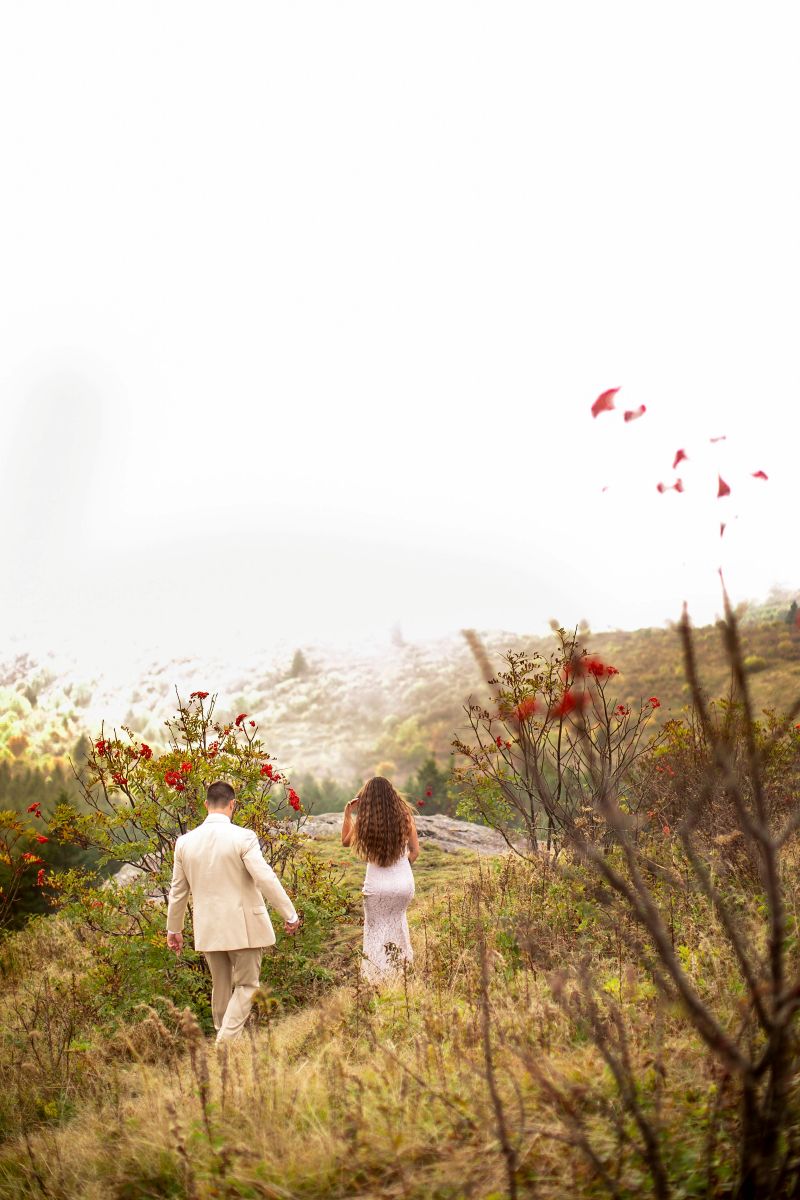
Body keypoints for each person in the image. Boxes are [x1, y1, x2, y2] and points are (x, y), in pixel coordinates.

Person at [166, 780, 300, 1042]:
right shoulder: (243, 837)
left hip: (208, 929)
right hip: (244, 926)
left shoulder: (184, 842)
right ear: (232, 804)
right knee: (248, 985)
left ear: (206, 805)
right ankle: (225, 1044)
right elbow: (264, 878)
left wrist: (174, 929)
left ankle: (223, 1044)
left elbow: (178, 891)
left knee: (221, 986)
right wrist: (289, 914)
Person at [341, 775, 419, 983]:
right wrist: (401, 869)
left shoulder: (364, 822)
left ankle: (376, 978)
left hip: (377, 887)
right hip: (403, 884)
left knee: (375, 931)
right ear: (392, 795)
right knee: (398, 925)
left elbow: (345, 843)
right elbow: (414, 852)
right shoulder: (405, 818)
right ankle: (402, 973)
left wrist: (348, 814)